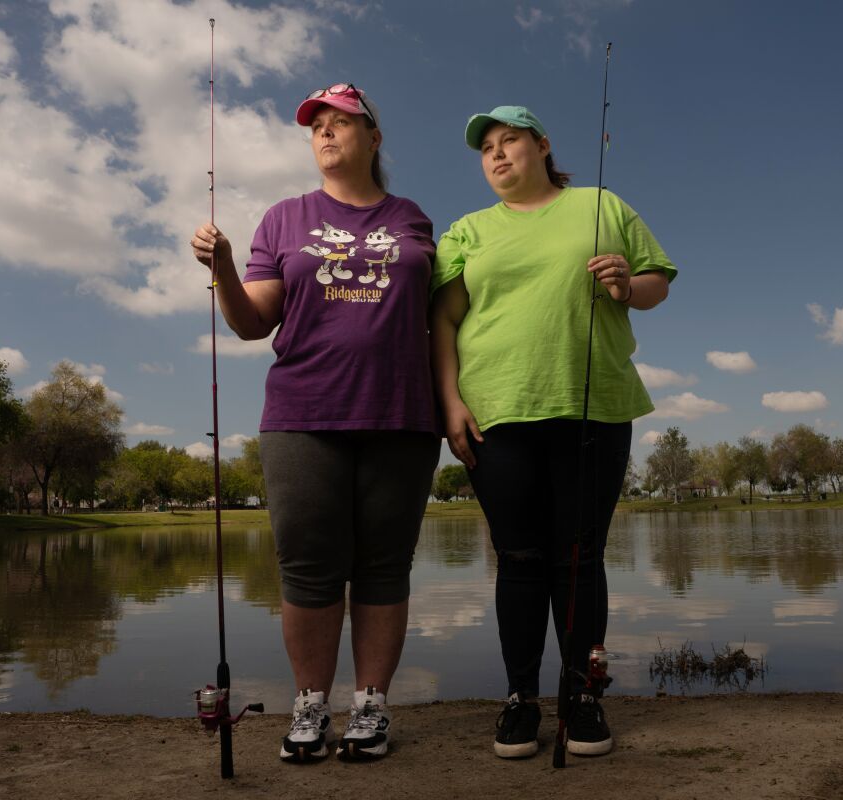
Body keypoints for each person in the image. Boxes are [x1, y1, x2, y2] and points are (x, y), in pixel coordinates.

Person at [191, 83, 439, 764]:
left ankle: (370, 706)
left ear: (373, 137)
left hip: (402, 416)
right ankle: (310, 704)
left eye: (341, 123)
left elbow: (442, 320)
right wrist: (221, 273)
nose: (325, 133)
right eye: (316, 126)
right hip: (303, 414)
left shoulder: (413, 218)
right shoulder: (284, 218)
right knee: (307, 567)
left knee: (385, 566)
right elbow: (250, 322)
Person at [430, 105, 675, 758]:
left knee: (580, 557)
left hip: (594, 407)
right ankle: (519, 701)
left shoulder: (601, 204)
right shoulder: (468, 231)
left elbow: (656, 284)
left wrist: (628, 283)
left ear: (542, 145)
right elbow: (445, 323)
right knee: (518, 558)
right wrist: (449, 402)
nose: (498, 154)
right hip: (495, 414)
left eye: (509, 141)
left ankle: (583, 694)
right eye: (486, 149)